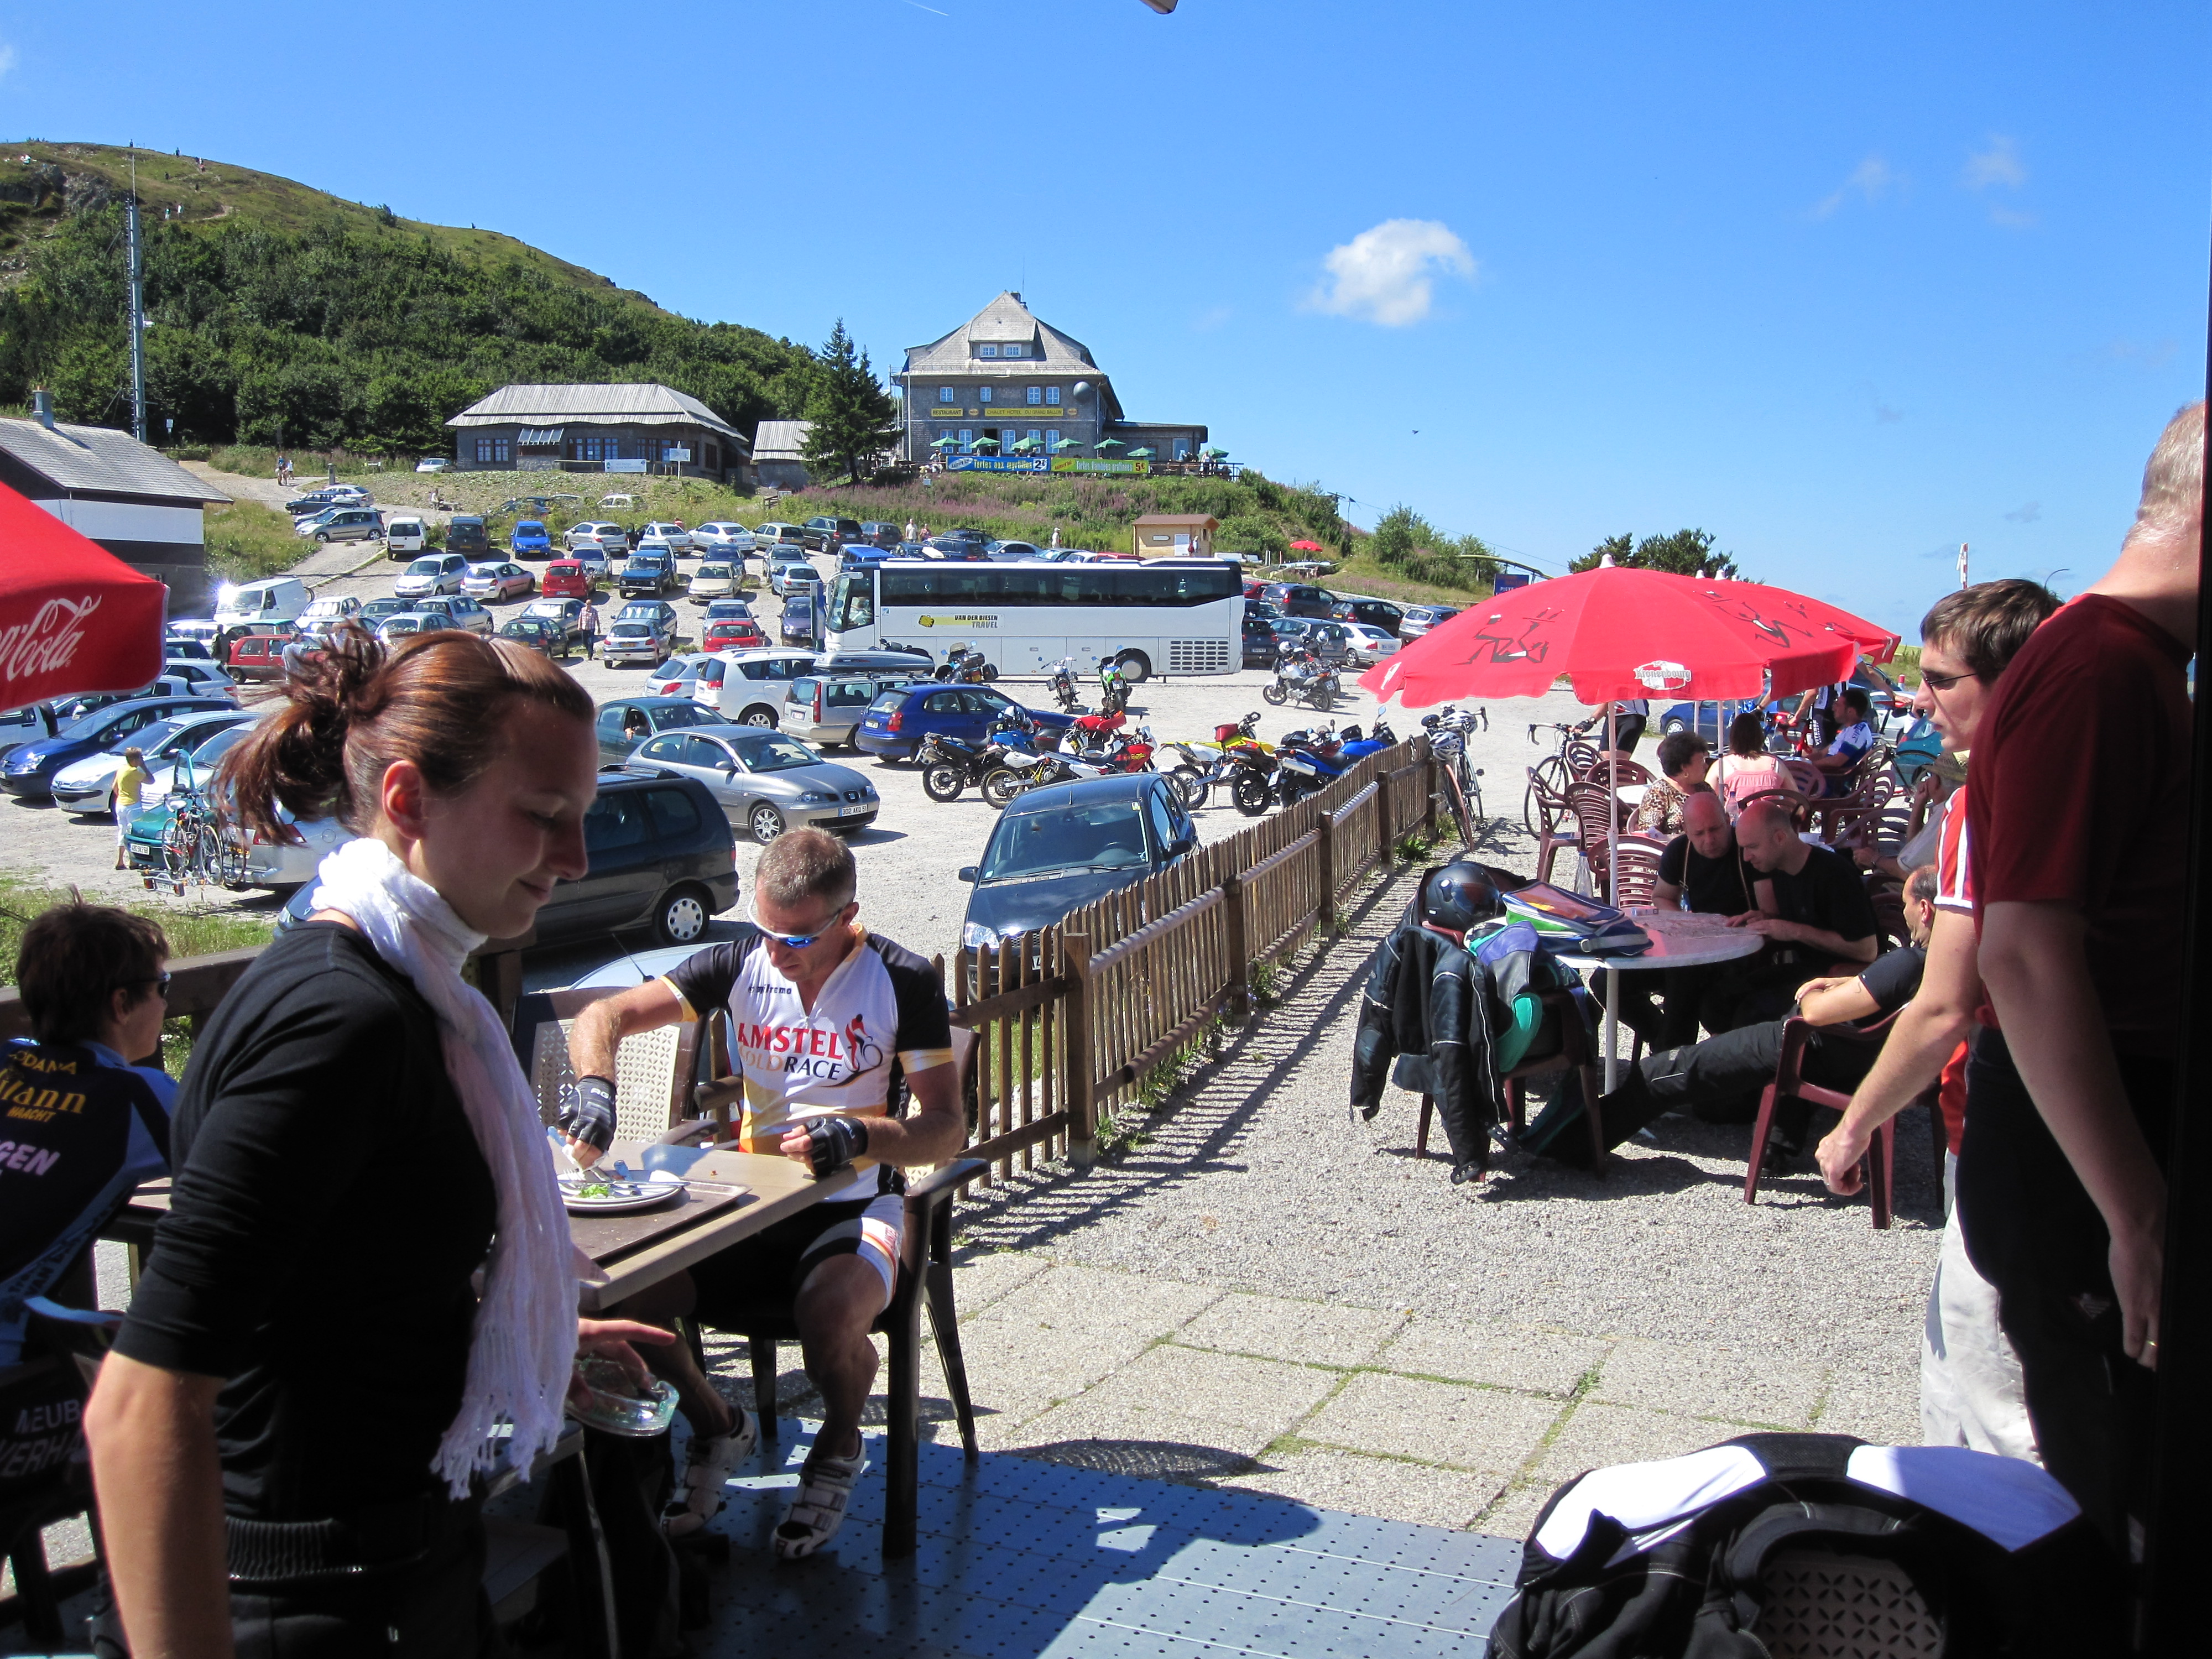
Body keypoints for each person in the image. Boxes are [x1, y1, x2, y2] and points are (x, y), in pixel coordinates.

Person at [85, 630, 671, 1658]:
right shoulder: (338, 1021)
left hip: (406, 1567)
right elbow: (141, 1404)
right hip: (308, 1599)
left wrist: (501, 1335)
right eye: (545, 816)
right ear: (408, 802)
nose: (577, 859)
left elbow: (328, 1290)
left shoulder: (412, 992)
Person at [565, 829, 960, 1558]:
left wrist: (861, 1136)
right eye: (765, 929)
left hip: (854, 1204)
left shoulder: (900, 979)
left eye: (799, 938)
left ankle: (839, 1442)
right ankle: (718, 1425)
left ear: (848, 917)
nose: (777, 952)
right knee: (623, 1296)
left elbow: (945, 1129)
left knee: (827, 1315)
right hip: (746, 1207)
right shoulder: (738, 962)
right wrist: (596, 1084)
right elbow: (602, 1016)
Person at [1958, 401, 2201, 1558]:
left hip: (2097, 1127)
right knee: (2117, 1515)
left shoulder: (2134, 663)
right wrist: (2137, 1212)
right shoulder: (2098, 667)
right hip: (2083, 1145)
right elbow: (2021, 951)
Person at [1813, 577, 2059, 1464]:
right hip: (2045, 1111)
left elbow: (1945, 1002)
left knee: (1989, 1392)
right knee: (1970, 1363)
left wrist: (1852, 1128)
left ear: (2011, 684)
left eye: (1943, 680)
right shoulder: (2071, 780)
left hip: (2005, 1113)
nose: (1919, 699)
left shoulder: (1989, 802)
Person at [1599, 867, 1938, 1166]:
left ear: (1924, 909)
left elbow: (1815, 1012)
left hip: (1798, 1045)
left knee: (1663, 1070)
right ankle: (1776, 1139)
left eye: (1905, 904)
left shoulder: (1906, 963)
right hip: (1844, 1060)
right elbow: (1875, 989)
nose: (1903, 912)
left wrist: (1813, 989)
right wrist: (1843, 982)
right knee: (1708, 1087)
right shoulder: (1941, 972)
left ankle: (1584, 1138)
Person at [1, 902, 175, 1369]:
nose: (165, 1004)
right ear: (121, 1004)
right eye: (162, 987)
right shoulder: (135, 1097)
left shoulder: (6, 1060)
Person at [1610, 790, 1775, 1050]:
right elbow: (1662, 896)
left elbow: (1769, 913)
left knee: (1682, 976)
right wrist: (1687, 924)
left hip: (1737, 953)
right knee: (1607, 981)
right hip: (1695, 945)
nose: (1710, 840)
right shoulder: (1680, 851)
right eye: (1699, 833)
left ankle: (1671, 1053)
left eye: (1715, 829)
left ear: (1728, 820)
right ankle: (1663, 1042)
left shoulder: (1747, 849)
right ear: (1686, 831)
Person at [1702, 801, 1878, 1032]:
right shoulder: (1780, 868)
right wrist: (1766, 920)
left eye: (1752, 847)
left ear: (1780, 838)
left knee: (1751, 1014)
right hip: (1807, 970)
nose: (1746, 857)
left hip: (1843, 982)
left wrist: (1794, 931)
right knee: (1717, 1001)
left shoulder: (1833, 874)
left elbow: (1867, 950)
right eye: (1743, 848)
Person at [1629, 730, 1711, 835]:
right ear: (1684, 767)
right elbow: (1650, 834)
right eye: (1701, 761)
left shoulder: (1704, 788)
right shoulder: (1658, 793)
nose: (1706, 766)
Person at [1717, 710, 1787, 818]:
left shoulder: (1723, 765)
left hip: (1737, 826)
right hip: (1771, 824)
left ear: (1733, 736)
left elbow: (1706, 799)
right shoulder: (1776, 764)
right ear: (1759, 735)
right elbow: (1797, 802)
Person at [1808, 687, 1877, 795]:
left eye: (1838, 705)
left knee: (1787, 784)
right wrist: (1800, 761)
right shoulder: (1849, 730)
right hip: (1823, 778)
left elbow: (1838, 761)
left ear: (1851, 711)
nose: (1833, 708)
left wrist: (1808, 766)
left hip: (1831, 784)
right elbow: (1822, 754)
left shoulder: (1857, 732)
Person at [113, 747, 148, 869]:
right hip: (133, 805)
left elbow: (115, 787)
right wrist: (144, 767)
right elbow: (151, 780)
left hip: (120, 804)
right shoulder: (134, 772)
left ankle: (120, 861)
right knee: (135, 833)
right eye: (140, 758)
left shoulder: (122, 769)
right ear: (135, 759)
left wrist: (121, 796)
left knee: (123, 831)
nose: (142, 760)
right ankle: (134, 861)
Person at [577, 596, 601, 660]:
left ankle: (590, 656)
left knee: (590, 642)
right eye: (588, 604)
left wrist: (599, 628)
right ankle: (590, 651)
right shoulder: (583, 610)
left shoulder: (594, 611)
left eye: (590, 604)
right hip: (584, 629)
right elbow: (580, 618)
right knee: (584, 642)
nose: (589, 605)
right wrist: (579, 626)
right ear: (586, 604)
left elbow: (597, 620)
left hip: (591, 629)